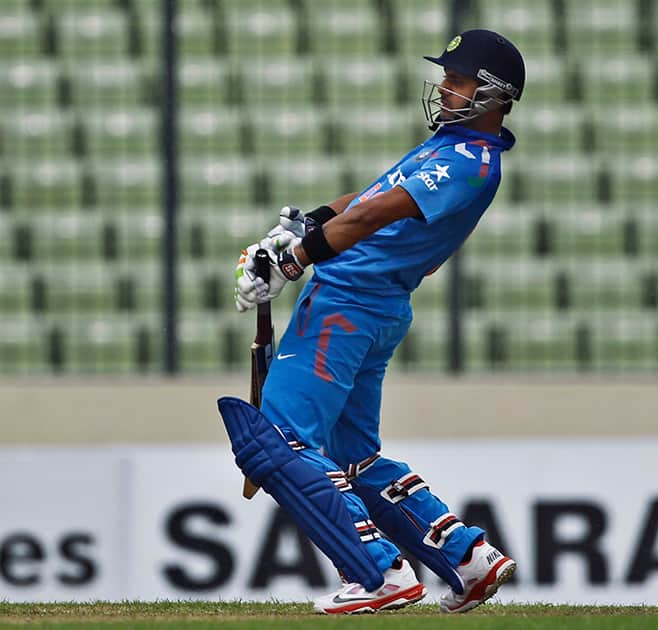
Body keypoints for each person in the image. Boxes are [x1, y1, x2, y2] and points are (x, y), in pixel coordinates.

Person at [223, 29, 525, 615]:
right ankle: (466, 558)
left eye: (458, 81)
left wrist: (293, 260)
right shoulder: (449, 145)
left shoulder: (471, 162)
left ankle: (377, 572)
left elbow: (374, 213)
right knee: (353, 457)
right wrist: (300, 226)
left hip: (348, 303)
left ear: (493, 93)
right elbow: (363, 197)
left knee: (279, 442)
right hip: (370, 305)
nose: (445, 89)